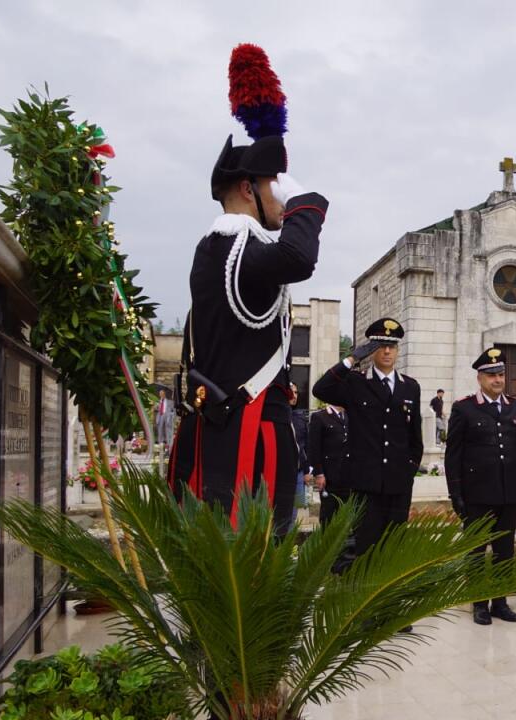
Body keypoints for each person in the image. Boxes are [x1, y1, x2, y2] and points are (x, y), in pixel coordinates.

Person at [169, 45, 328, 537]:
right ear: (245, 189)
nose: (280, 196)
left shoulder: (234, 249)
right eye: (271, 183)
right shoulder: (229, 245)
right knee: (244, 567)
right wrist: (304, 200)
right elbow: (299, 258)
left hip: (253, 433)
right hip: (240, 441)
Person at [312, 317, 424, 572]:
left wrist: (410, 470)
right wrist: (351, 359)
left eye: (391, 346)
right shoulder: (355, 382)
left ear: (397, 350)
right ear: (372, 350)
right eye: (380, 345)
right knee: (366, 549)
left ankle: (386, 605)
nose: (386, 351)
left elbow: (414, 438)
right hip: (366, 484)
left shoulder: (410, 387)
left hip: (398, 484)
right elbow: (321, 389)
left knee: (393, 548)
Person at [445, 348, 516, 625]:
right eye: (491, 375)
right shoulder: (464, 407)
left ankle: (501, 602)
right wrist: (456, 493)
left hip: (508, 493)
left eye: (501, 374)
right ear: (480, 377)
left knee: (505, 551)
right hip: (477, 494)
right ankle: (479, 603)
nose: (497, 379)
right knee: (477, 552)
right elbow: (453, 455)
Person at [307, 403, 347, 529]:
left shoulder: (348, 416)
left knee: (346, 513)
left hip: (347, 475)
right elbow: (314, 447)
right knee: (329, 514)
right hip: (329, 476)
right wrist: (319, 473)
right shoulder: (320, 417)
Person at [289, 383, 310, 508]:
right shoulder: (277, 416)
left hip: (299, 472)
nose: (294, 396)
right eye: (291, 392)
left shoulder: (300, 418)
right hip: (280, 473)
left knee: (294, 512)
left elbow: (305, 446)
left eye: (296, 392)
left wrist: (307, 471)